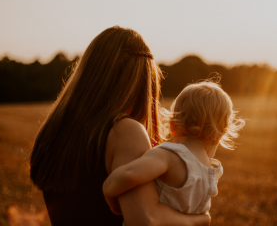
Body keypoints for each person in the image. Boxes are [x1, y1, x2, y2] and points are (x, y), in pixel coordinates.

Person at [30, 26, 210, 226]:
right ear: (141, 83)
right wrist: (198, 220)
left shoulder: (54, 131)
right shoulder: (124, 131)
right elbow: (145, 221)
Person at [103, 81, 245, 218]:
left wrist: (108, 189)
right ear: (219, 135)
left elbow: (129, 174)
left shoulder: (167, 156)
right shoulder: (212, 172)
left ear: (172, 126)